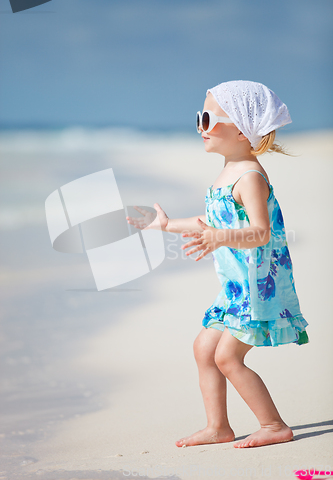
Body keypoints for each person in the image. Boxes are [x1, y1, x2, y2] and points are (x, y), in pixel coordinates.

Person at [126, 80, 309, 449]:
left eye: (207, 118)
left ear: (241, 130)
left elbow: (259, 233)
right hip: (236, 288)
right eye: (198, 117)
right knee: (203, 348)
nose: (200, 127)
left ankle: (273, 424)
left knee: (227, 356)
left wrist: (219, 238)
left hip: (258, 288)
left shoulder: (250, 177)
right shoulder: (227, 174)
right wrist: (164, 224)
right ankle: (218, 426)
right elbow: (209, 224)